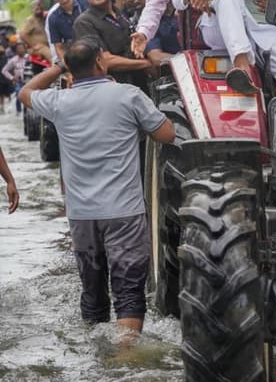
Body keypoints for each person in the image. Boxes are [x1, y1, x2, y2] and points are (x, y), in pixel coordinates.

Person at [19, 39, 175, 341]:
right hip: (124, 213)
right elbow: (166, 134)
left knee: (92, 292)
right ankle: (124, 355)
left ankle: (94, 352)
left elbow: (26, 92)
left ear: (71, 69)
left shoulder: (58, 103)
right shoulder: (128, 96)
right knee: (129, 290)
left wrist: (58, 66)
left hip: (81, 217)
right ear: (101, 63)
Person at [73, 0, 152, 90]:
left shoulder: (120, 13)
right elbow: (105, 60)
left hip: (140, 85)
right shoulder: (84, 22)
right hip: (114, 92)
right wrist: (146, 64)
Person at [46, 0, 88, 64]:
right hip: (74, 58)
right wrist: (67, 67)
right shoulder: (53, 18)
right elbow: (58, 47)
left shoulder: (85, 3)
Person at [18, 0, 52, 64]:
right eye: (35, 6)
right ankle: (61, 71)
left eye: (39, 5)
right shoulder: (31, 20)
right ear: (32, 10)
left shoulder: (44, 18)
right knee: (52, 56)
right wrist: (34, 46)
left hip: (47, 45)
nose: (38, 7)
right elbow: (22, 34)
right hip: (39, 48)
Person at [3, 42, 25, 114]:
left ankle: (27, 112)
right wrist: (12, 78)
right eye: (18, 49)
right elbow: (4, 70)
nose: (20, 50)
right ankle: (18, 111)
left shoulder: (29, 58)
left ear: (25, 49)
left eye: (22, 48)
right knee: (18, 94)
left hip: (30, 81)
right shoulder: (13, 60)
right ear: (16, 50)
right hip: (19, 81)